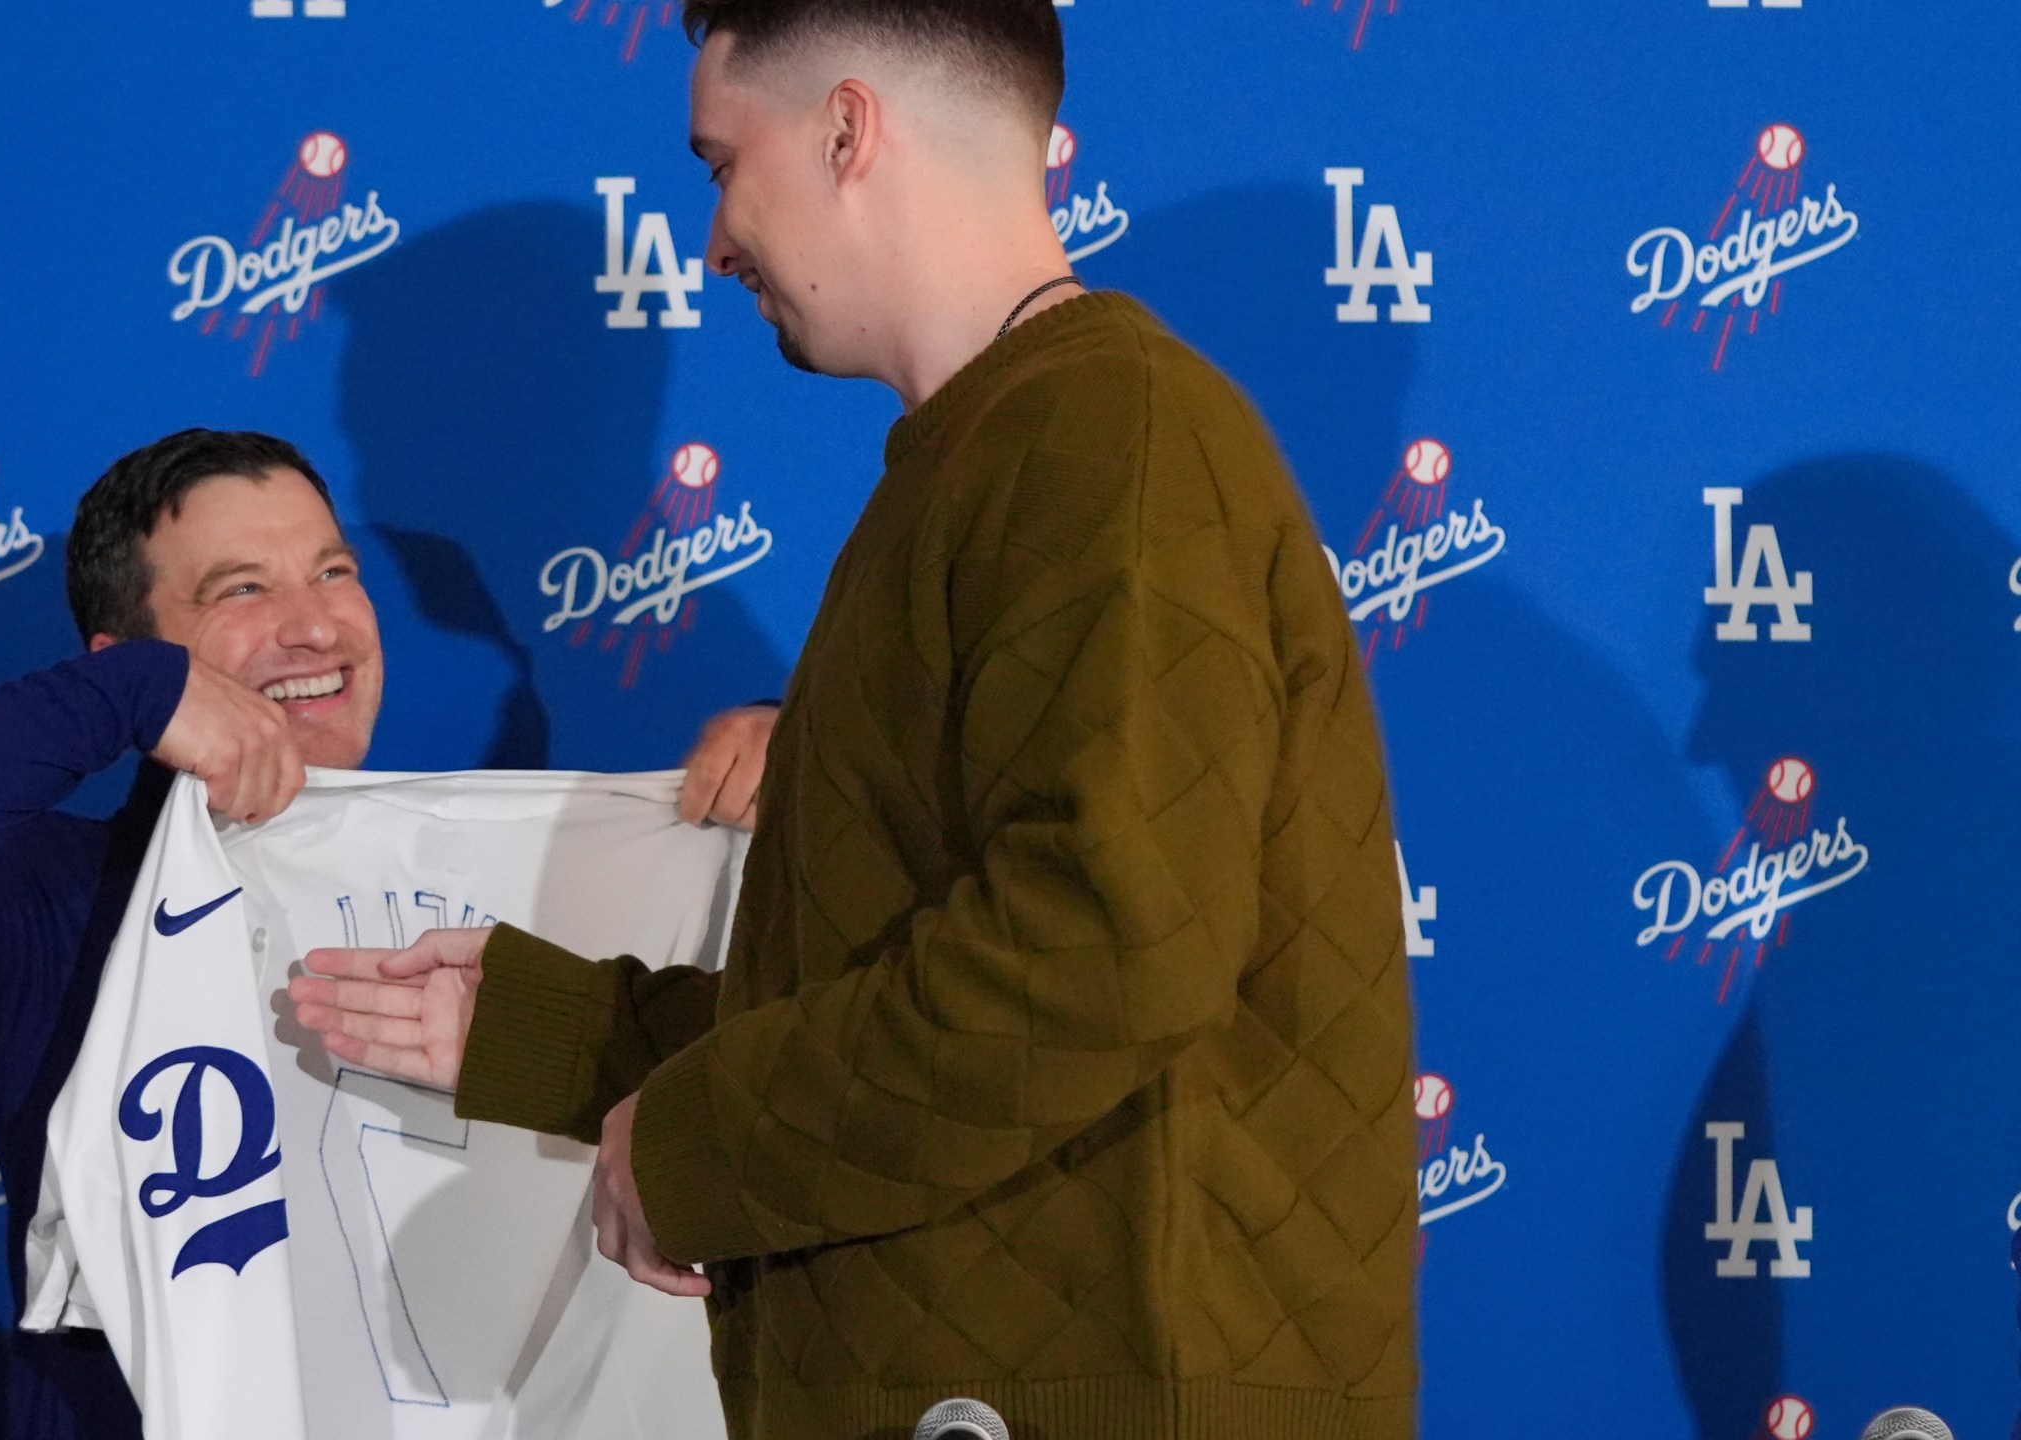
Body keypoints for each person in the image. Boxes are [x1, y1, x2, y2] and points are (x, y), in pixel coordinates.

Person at [290, 4, 1421, 1439]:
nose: (713, 242)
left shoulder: (1102, 436)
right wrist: (556, 1037)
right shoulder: (996, 454)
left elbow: (1102, 948)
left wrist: (694, 1146)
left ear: (846, 127)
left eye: (719, 164)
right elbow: (905, 980)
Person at [0, 428, 775, 1440]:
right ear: (124, 664)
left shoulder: (552, 865)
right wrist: (130, 700)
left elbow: (849, 1016)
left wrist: (800, 771)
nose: (317, 626)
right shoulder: (56, 913)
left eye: (333, 572)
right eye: (241, 590)